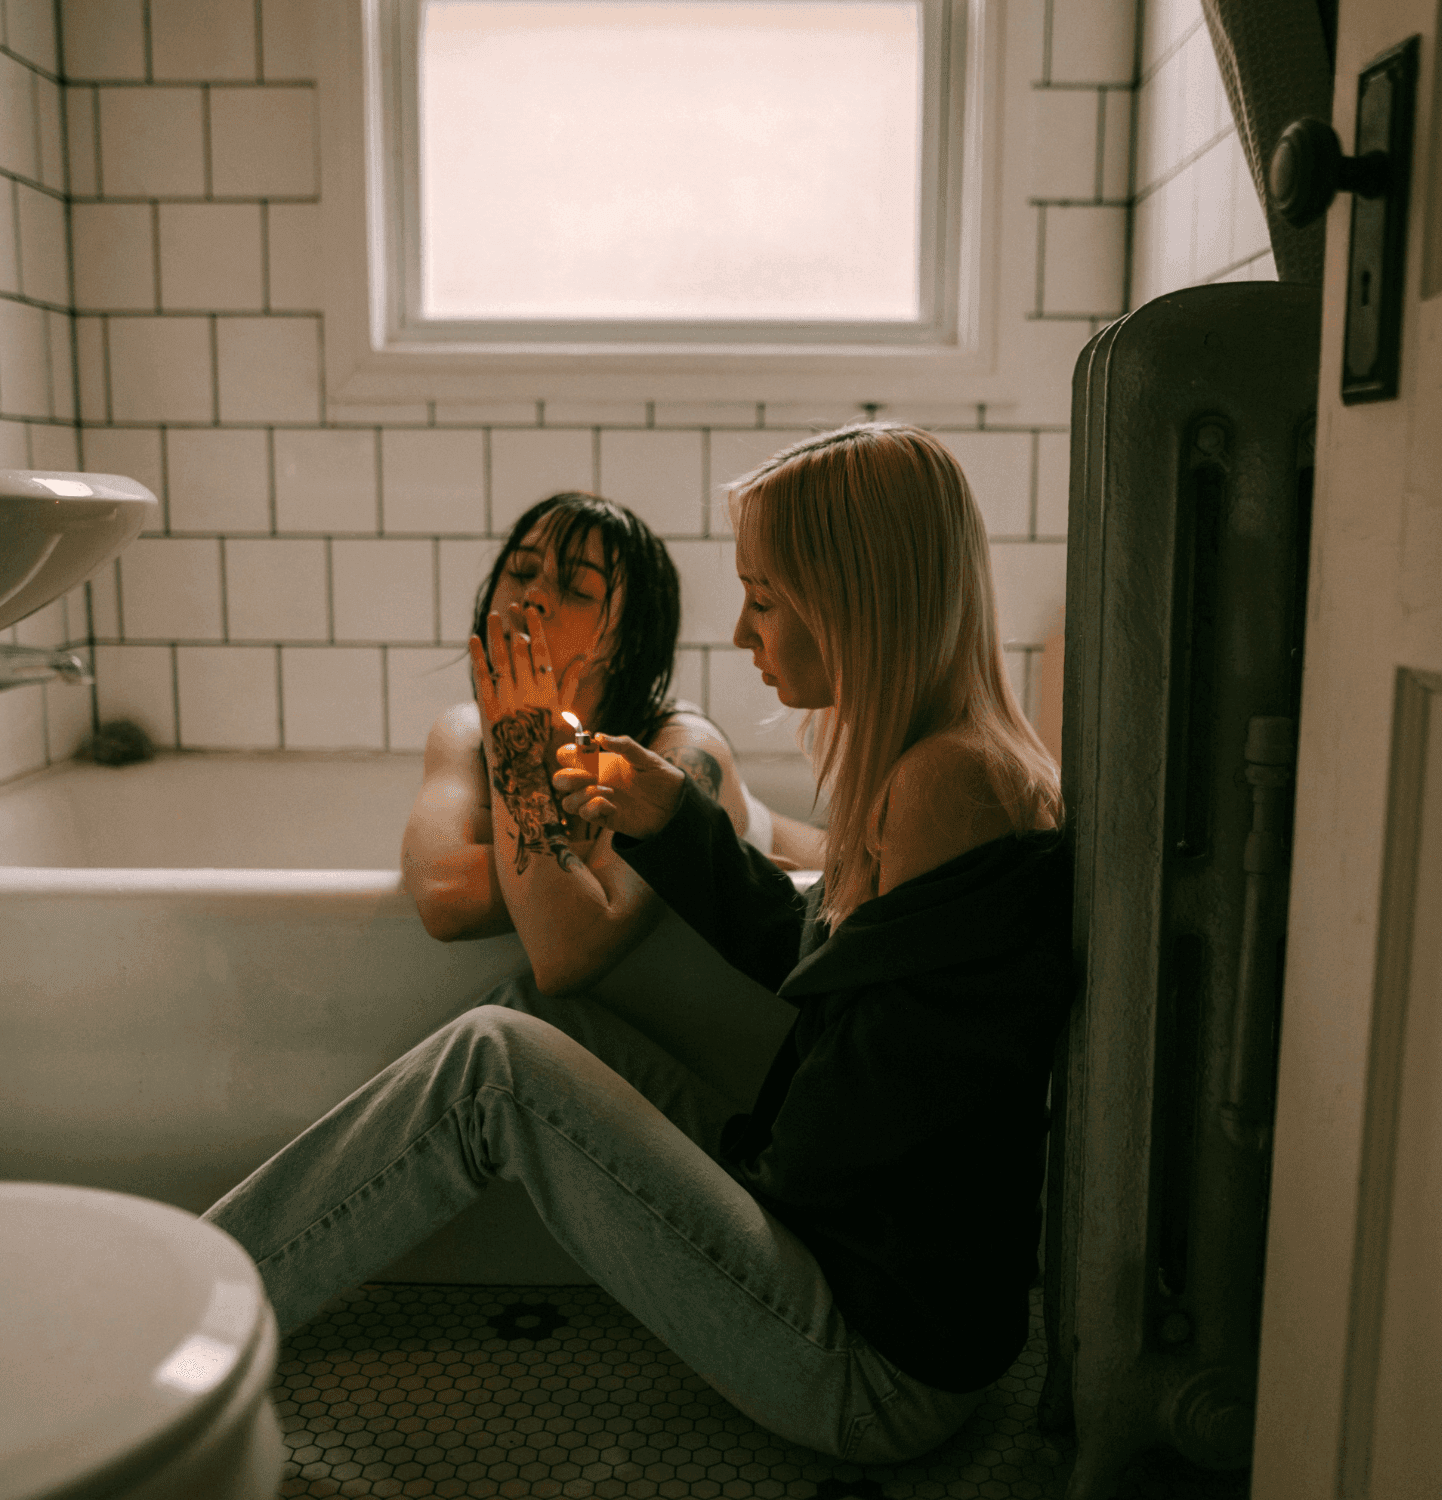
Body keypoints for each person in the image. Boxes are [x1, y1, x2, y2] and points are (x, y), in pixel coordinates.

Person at [203, 424, 1072, 1465]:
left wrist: (734, 1187)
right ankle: (213, 1279)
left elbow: (894, 1102)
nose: (746, 635)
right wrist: (672, 821)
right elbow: (832, 968)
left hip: (870, 1361)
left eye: (765, 598)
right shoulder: (954, 761)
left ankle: (195, 1301)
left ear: (856, 600)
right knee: (535, 1021)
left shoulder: (945, 786)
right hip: (862, 1275)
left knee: (497, 1062)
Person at [400, 489, 825, 993]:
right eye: (520, 569)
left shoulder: (683, 747)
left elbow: (568, 949)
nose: (532, 594)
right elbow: (448, 894)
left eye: (578, 589)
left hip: (841, 869)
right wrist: (586, 853)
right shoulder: (466, 731)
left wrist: (519, 756)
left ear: (628, 641)